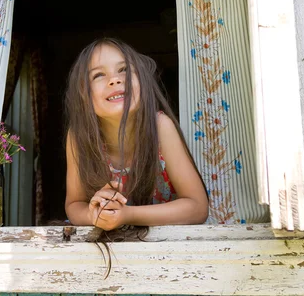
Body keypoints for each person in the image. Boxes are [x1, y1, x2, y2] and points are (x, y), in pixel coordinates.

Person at [64, 38, 208, 231]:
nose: (114, 79)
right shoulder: (78, 137)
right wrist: (94, 215)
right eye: (98, 75)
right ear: (83, 94)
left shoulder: (160, 127)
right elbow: (74, 205)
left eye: (124, 70)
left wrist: (127, 215)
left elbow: (197, 208)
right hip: (110, 249)